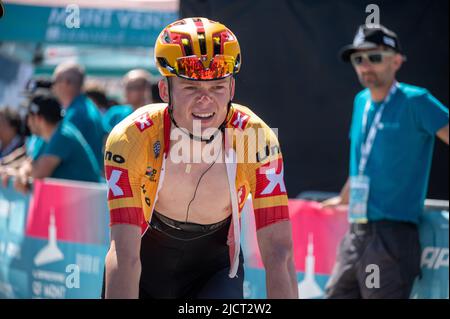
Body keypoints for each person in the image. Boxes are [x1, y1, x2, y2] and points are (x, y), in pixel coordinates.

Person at [103, 17, 298, 299]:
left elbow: (279, 253)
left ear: (231, 90)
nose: (205, 101)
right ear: (164, 91)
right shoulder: (131, 139)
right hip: (144, 259)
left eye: (217, 88)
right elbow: (124, 254)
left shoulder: (257, 139)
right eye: (191, 88)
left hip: (213, 267)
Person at [322, 24, 449, 299]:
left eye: (375, 57)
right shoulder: (361, 102)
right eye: (358, 59)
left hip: (392, 236)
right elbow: (362, 163)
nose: (365, 65)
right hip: (356, 231)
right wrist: (342, 198)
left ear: (397, 60)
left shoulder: (417, 100)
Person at [16, 90, 101, 187]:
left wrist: (22, 172)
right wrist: (23, 171)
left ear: (39, 119)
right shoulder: (47, 137)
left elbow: (39, 174)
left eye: (29, 117)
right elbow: (30, 162)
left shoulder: (62, 135)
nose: (27, 122)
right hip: (75, 199)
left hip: (87, 200)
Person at [51, 61, 105, 169]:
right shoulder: (87, 106)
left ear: (66, 83)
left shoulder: (77, 113)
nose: (52, 87)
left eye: (54, 81)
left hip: (81, 182)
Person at [102, 69, 153, 133]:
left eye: (131, 87)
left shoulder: (154, 115)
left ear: (145, 90)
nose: (126, 91)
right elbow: (105, 139)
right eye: (125, 86)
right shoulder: (115, 114)